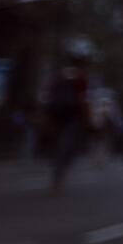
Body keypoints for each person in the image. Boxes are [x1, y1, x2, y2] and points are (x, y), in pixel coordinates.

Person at [45, 42, 93, 194]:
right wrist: (87, 118)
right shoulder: (80, 77)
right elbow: (83, 99)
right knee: (69, 147)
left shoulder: (59, 74)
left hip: (57, 114)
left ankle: (57, 174)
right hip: (73, 117)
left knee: (61, 145)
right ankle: (58, 177)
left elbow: (49, 94)